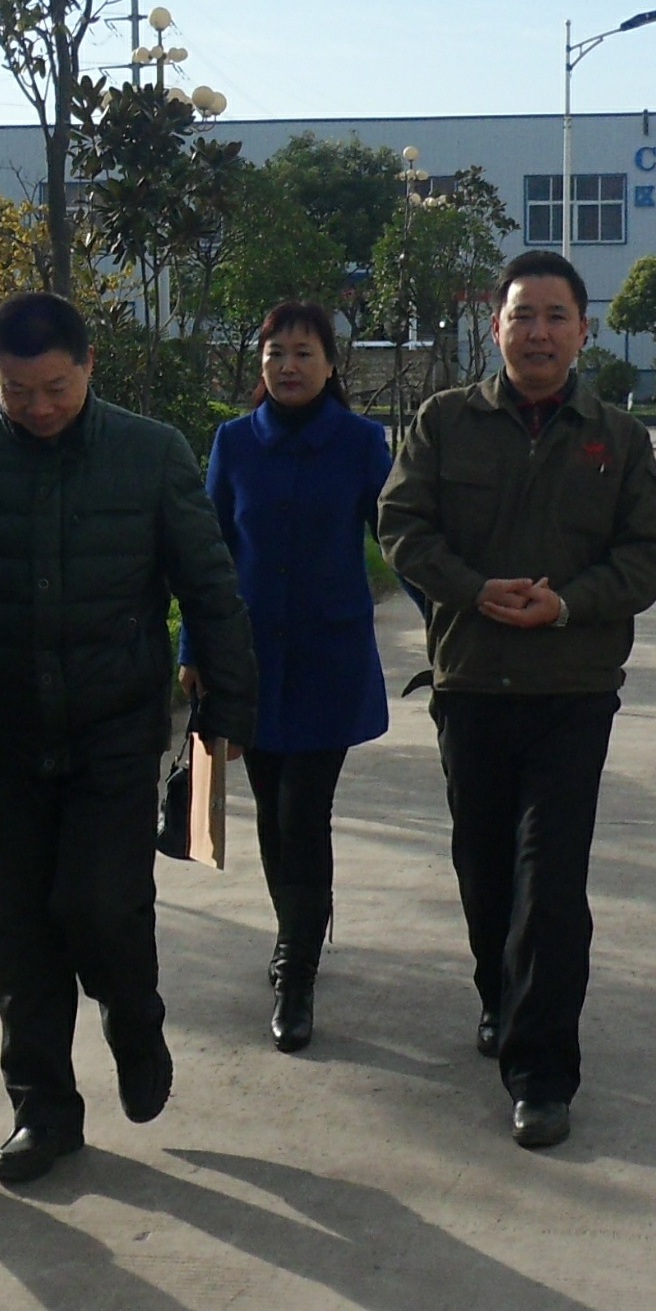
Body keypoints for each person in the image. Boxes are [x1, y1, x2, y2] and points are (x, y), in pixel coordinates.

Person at [0, 291, 256, 1185]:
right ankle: (43, 1109)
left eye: (55, 387)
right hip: (5, 730)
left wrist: (225, 713)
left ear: (89, 364)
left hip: (114, 727)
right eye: (16, 390)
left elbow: (209, 587)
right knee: (21, 930)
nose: (38, 406)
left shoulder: (151, 453)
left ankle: (135, 1021)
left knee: (101, 906)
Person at [378, 249, 656, 1151]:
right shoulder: (444, 421)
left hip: (572, 690)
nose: (538, 332)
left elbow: (647, 554)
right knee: (484, 867)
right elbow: (402, 525)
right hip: (471, 683)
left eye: (556, 316)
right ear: (496, 326)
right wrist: (473, 589)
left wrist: (569, 603)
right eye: (523, 315)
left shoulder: (618, 438)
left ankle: (542, 1073)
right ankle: (499, 994)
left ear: (584, 330)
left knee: (550, 880)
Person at [180, 302, 393, 1053]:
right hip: (250, 664)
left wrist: (451, 621)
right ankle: (294, 931)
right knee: (272, 813)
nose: (289, 366)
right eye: (276, 353)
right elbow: (207, 554)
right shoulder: (234, 442)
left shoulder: (363, 444)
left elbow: (400, 538)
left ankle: (295, 971)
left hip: (329, 662)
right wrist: (192, 648)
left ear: (331, 364)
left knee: (304, 811)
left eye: (304, 352)